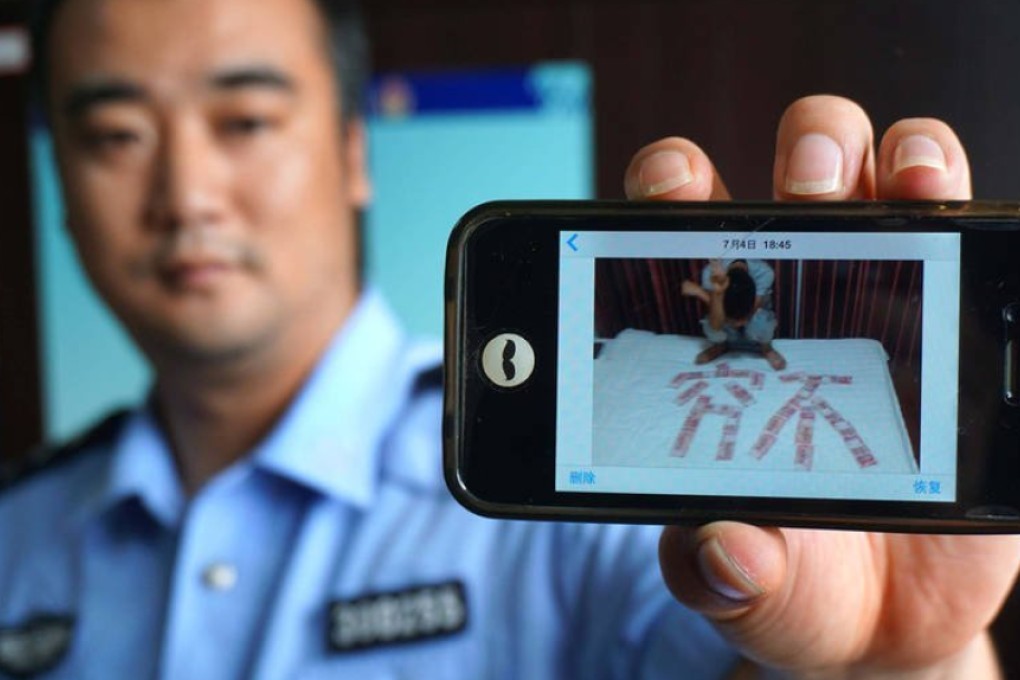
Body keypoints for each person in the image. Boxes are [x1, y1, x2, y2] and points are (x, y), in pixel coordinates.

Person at [0, 0, 1016, 678]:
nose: (187, 196)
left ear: (356, 154)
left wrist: (909, 661)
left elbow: (791, 634)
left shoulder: (610, 505)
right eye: (116, 136)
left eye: (247, 121)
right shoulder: (15, 538)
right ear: (61, 192)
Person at [682, 258, 786, 370]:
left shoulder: (764, 272)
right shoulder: (711, 273)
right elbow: (715, 321)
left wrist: (701, 293)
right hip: (723, 315)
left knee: (762, 320)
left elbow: (753, 307)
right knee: (711, 323)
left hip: (753, 315)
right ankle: (719, 346)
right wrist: (717, 294)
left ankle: (766, 348)